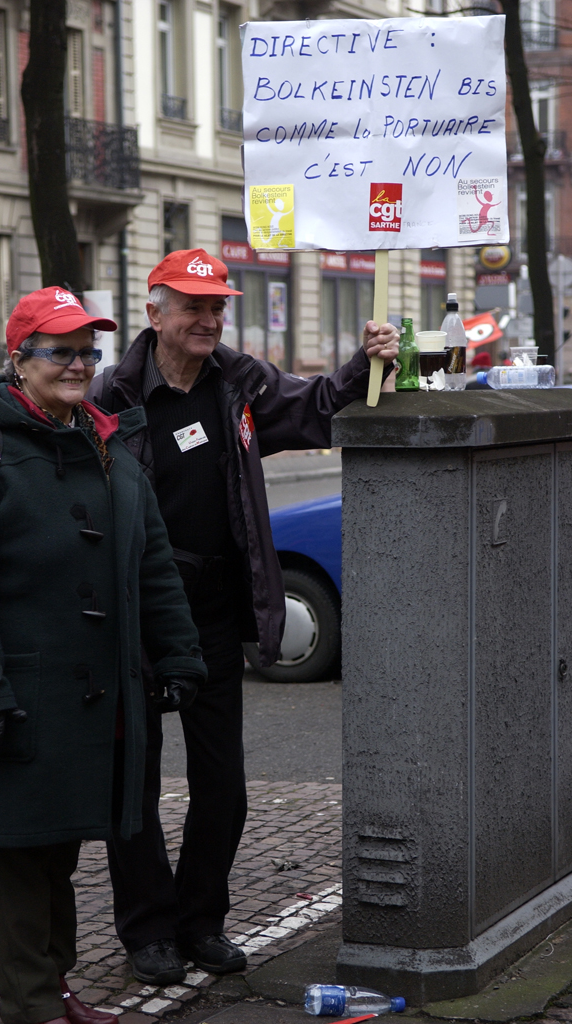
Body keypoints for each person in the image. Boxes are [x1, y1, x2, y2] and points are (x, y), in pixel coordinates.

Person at [87, 248, 399, 985]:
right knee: (132, 780)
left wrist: (365, 364)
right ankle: (148, 931)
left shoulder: (240, 380)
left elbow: (315, 406)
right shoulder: (112, 395)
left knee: (221, 783)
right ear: (154, 312)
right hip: (137, 615)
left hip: (218, 607)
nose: (209, 318)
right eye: (194, 306)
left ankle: (200, 922)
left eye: (218, 305)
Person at [0, 286, 207, 1024]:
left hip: (94, 698)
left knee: (61, 853)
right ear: (20, 361)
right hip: (16, 697)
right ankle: (35, 1005)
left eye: (88, 351)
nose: (78, 365)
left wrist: (177, 655)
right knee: (20, 859)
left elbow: (153, 569)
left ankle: (57, 987)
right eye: (60, 351)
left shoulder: (109, 448)